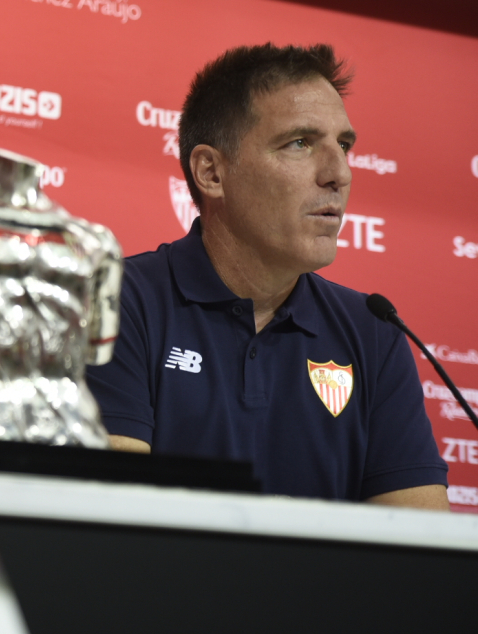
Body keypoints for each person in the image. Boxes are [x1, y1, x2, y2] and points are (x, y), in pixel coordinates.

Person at [86, 43, 449, 510]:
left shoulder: (375, 331)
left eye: (343, 145)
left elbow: (422, 553)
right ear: (211, 172)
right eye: (300, 143)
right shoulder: (118, 299)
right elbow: (112, 519)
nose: (339, 173)